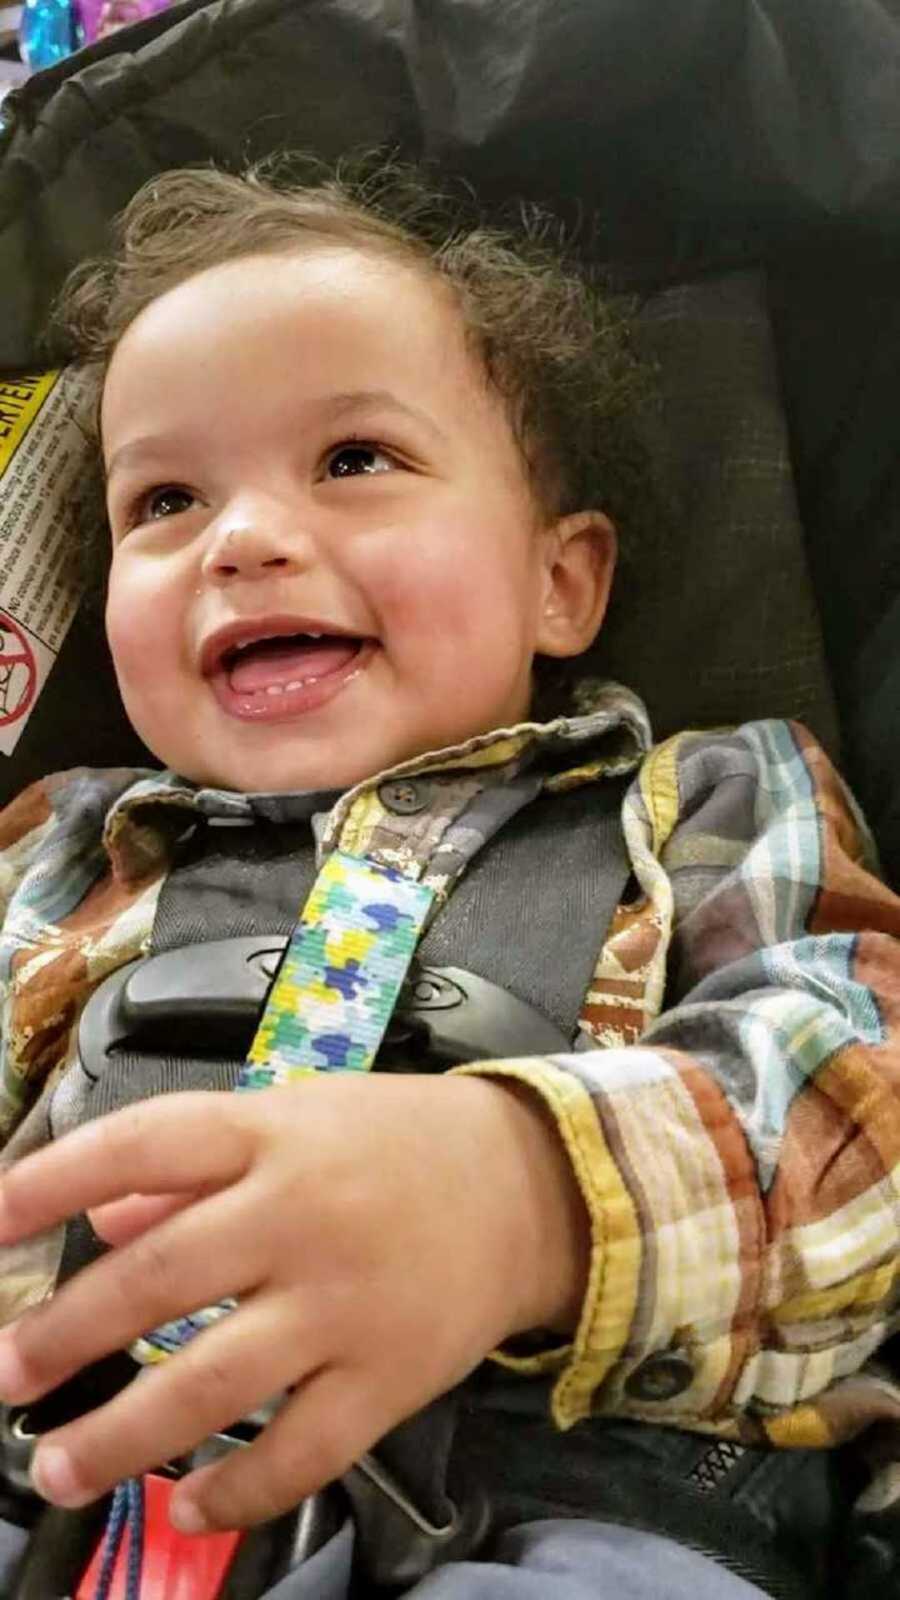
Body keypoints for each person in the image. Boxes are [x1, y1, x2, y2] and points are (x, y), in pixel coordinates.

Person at [0, 161, 897, 1600]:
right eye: (163, 498)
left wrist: (532, 1196)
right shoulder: (63, 853)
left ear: (564, 582)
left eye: (355, 460)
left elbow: (871, 1092)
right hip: (65, 1480)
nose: (241, 540)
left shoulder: (707, 802)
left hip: (587, 1490)